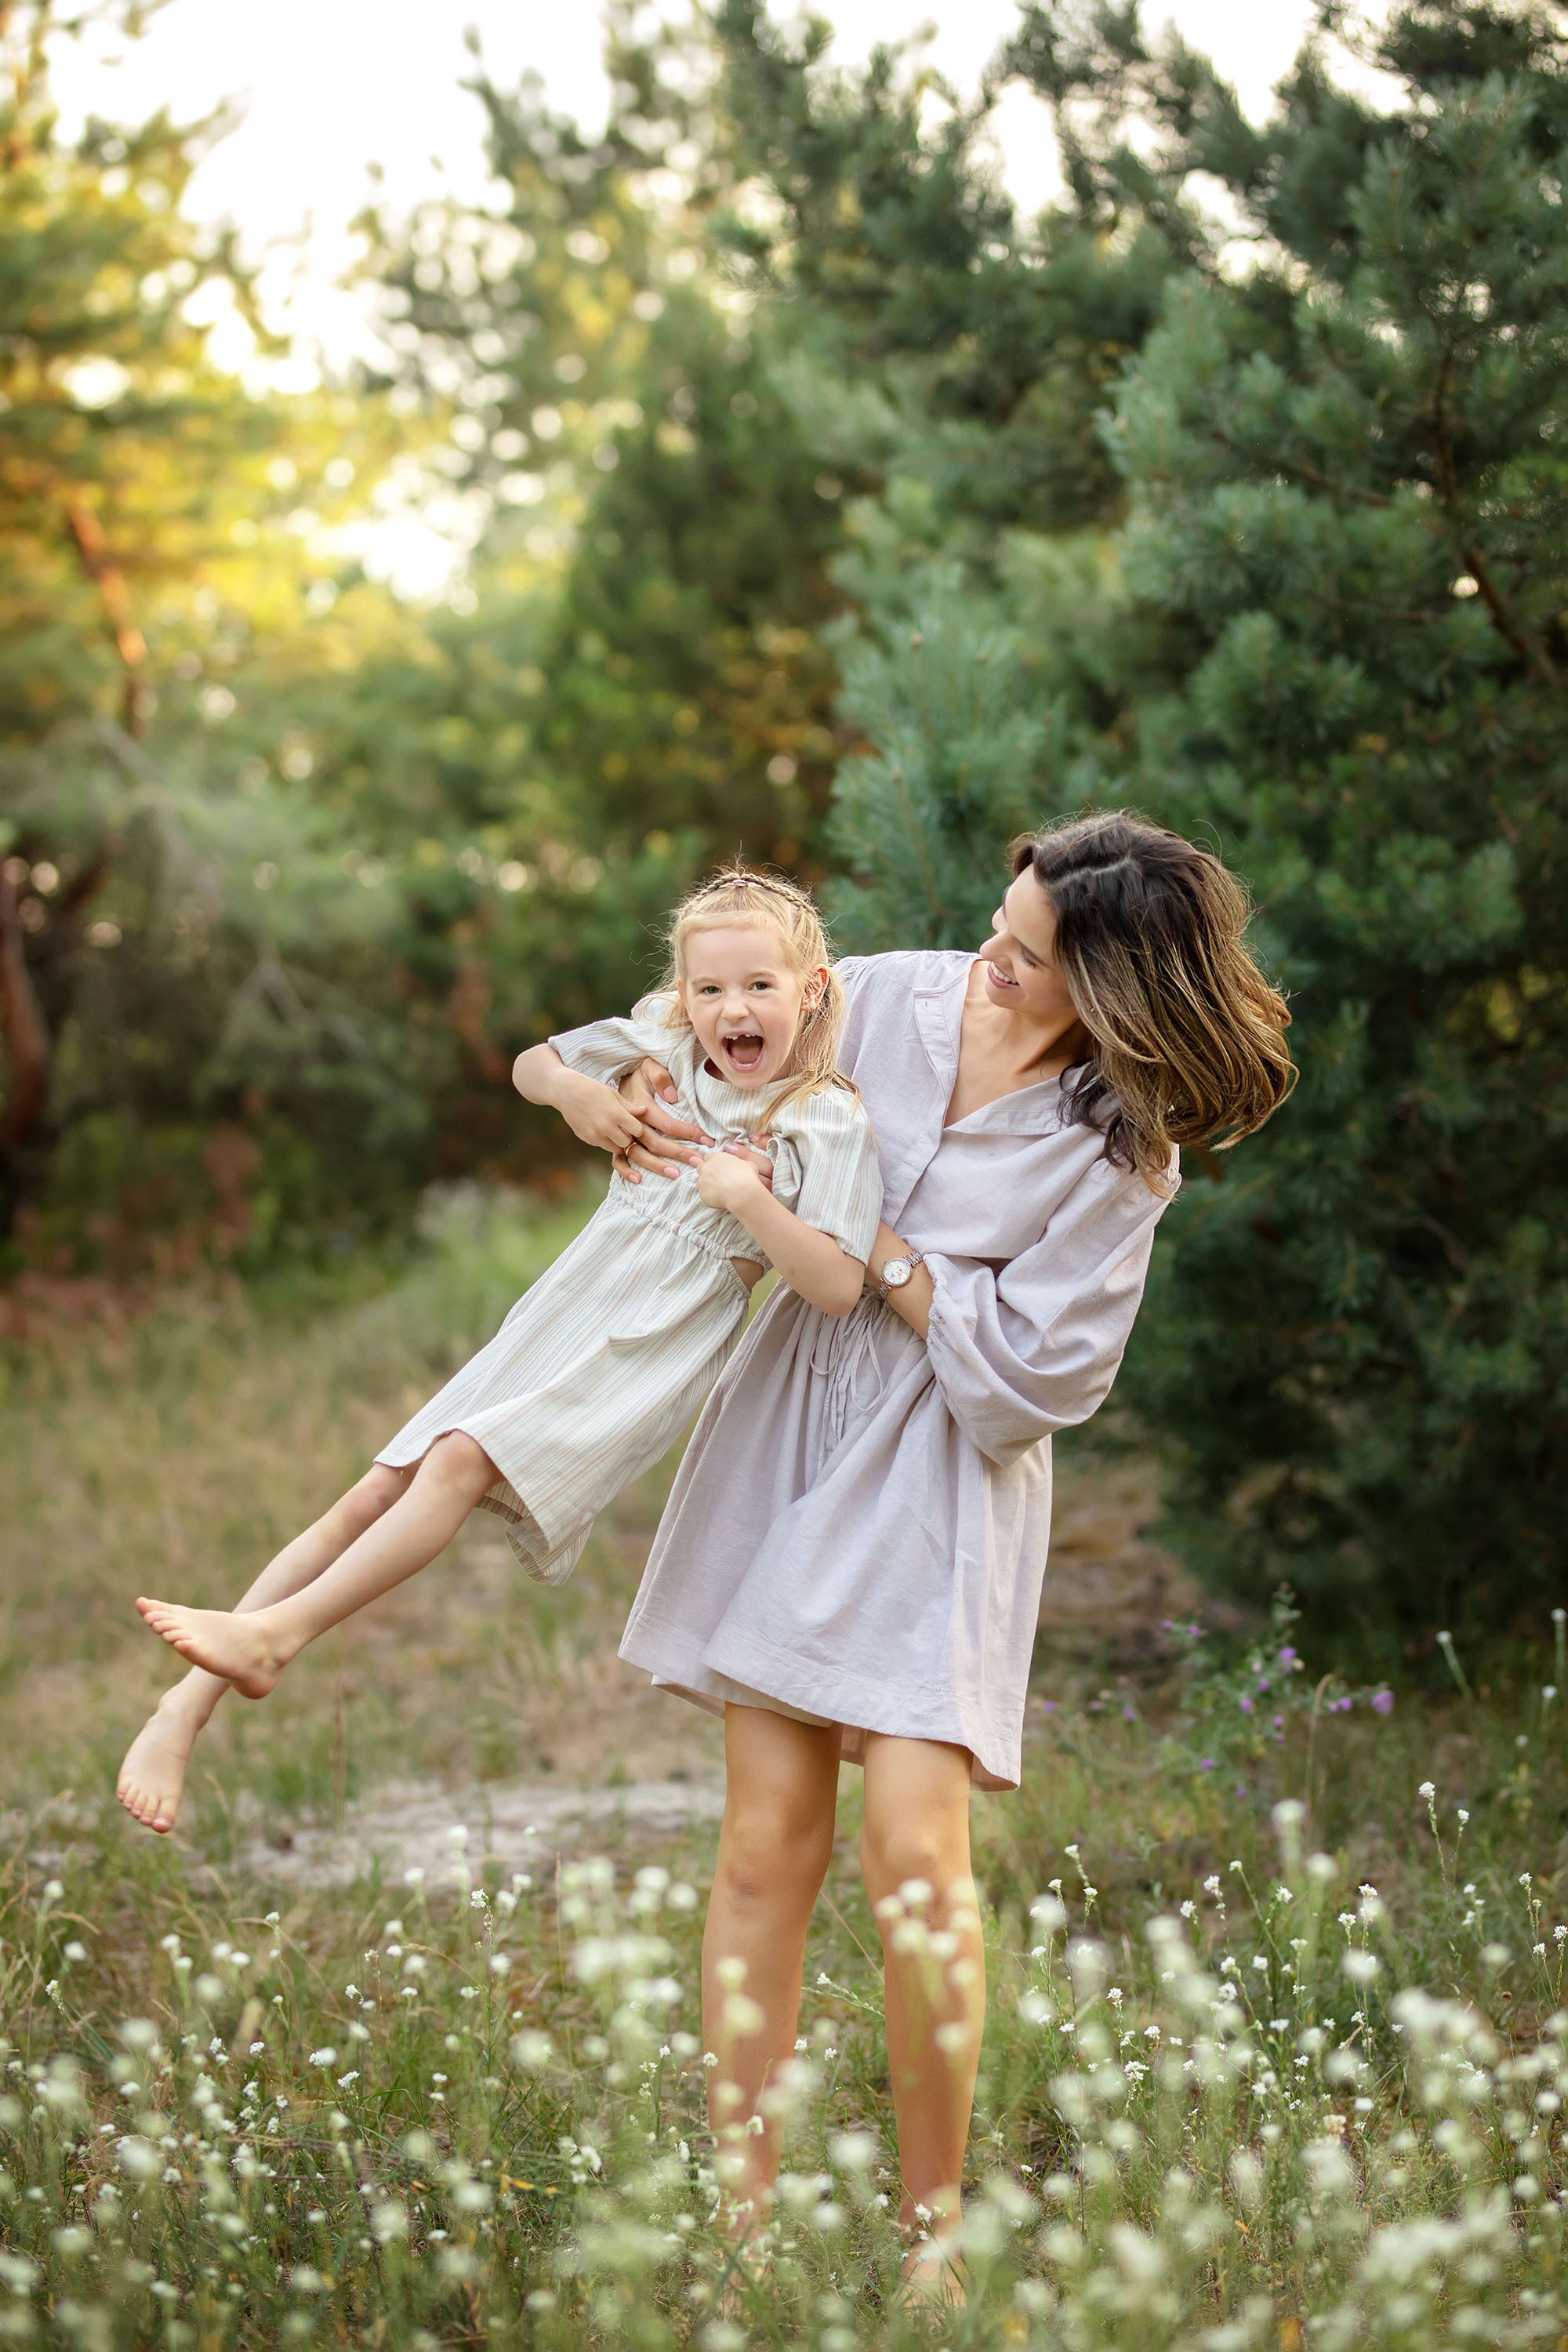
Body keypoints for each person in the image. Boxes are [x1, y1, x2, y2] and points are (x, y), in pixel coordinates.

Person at [558, 813, 1295, 2292]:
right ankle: (745, 2226)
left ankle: (933, 2240)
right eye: (998, 932)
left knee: (917, 1858)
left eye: (1026, 960)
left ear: (1117, 990)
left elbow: (1038, 1381)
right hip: (790, 1435)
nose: (988, 966)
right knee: (763, 1846)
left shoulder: (1117, 1151)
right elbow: (652, 1032)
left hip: (944, 1475)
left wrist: (881, 1258)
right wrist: (583, 1094)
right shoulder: (880, 993)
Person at [116, 869, 883, 1831]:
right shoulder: (670, 1043)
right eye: (709, 988)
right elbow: (532, 1061)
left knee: (457, 1461)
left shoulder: (824, 1118)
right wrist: (574, 1097)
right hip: (564, 1308)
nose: (732, 1009)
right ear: (684, 994)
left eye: (758, 987)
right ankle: (183, 1709)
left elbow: (837, 1284)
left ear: (808, 989)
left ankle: (276, 1638)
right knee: (376, 1489)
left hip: (644, 1347)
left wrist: (751, 1203)